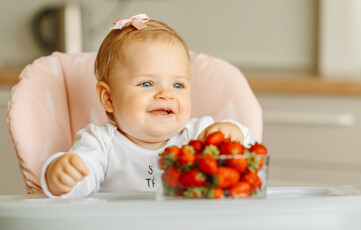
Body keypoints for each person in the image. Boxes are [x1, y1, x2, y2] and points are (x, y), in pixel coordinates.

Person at [40, 14, 256, 198]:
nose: (166, 94)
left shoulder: (198, 135)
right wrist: (62, 177)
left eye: (178, 84)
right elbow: (81, 179)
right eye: (147, 83)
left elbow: (246, 153)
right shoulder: (100, 144)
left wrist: (233, 131)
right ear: (108, 98)